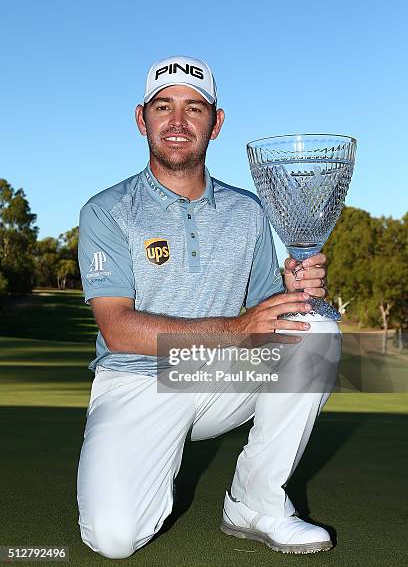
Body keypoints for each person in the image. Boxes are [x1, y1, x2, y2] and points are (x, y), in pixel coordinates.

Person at [76, 55, 340, 559]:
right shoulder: (107, 210)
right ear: (141, 118)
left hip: (219, 372)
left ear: (216, 124)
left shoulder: (250, 210)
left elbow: (264, 312)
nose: (177, 122)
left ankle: (255, 503)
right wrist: (238, 328)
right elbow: (118, 329)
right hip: (138, 378)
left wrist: (289, 288)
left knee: (314, 330)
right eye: (163, 107)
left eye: (194, 109)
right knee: (114, 539)